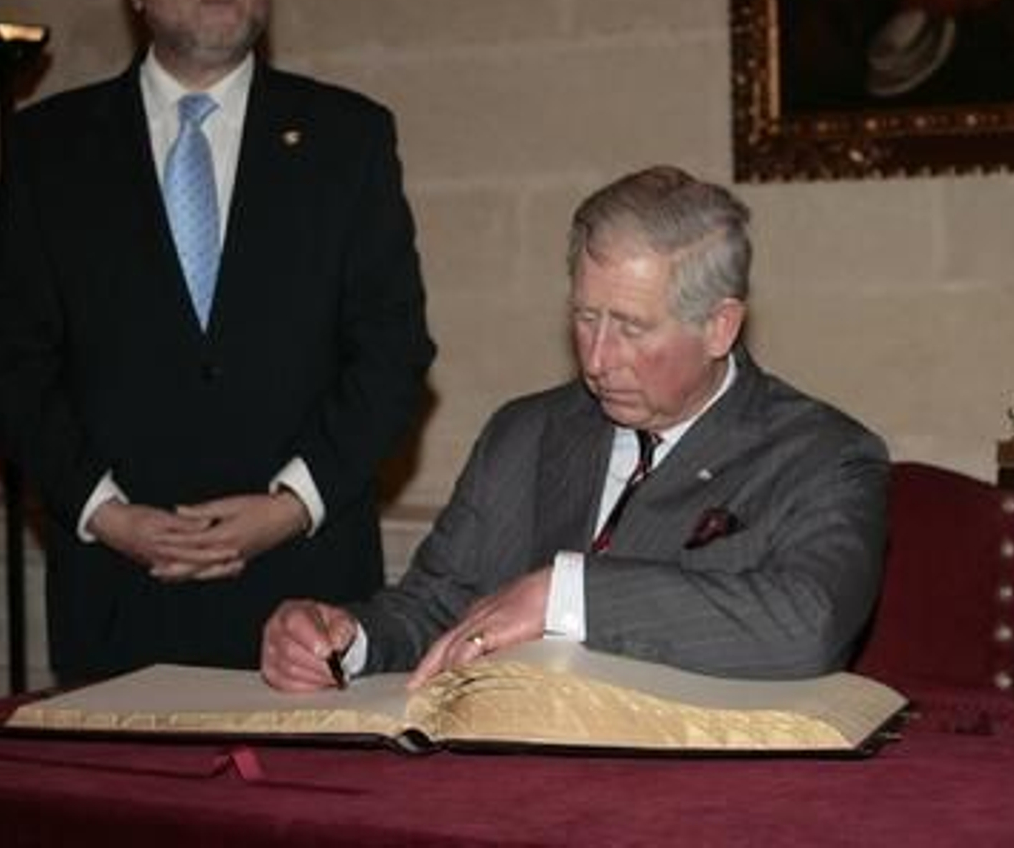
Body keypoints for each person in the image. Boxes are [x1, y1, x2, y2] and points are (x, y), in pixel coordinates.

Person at [0, 0, 435, 683]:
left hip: (307, 596)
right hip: (118, 596)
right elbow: (9, 359)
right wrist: (106, 514)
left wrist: (290, 506)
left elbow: (394, 352)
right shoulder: (52, 150)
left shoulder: (347, 139)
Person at [260, 166, 889, 691]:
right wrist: (347, 639)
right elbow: (435, 605)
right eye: (586, 318)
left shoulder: (823, 456)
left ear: (719, 327)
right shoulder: (525, 434)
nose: (596, 359)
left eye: (632, 328)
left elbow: (808, 629)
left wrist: (570, 594)